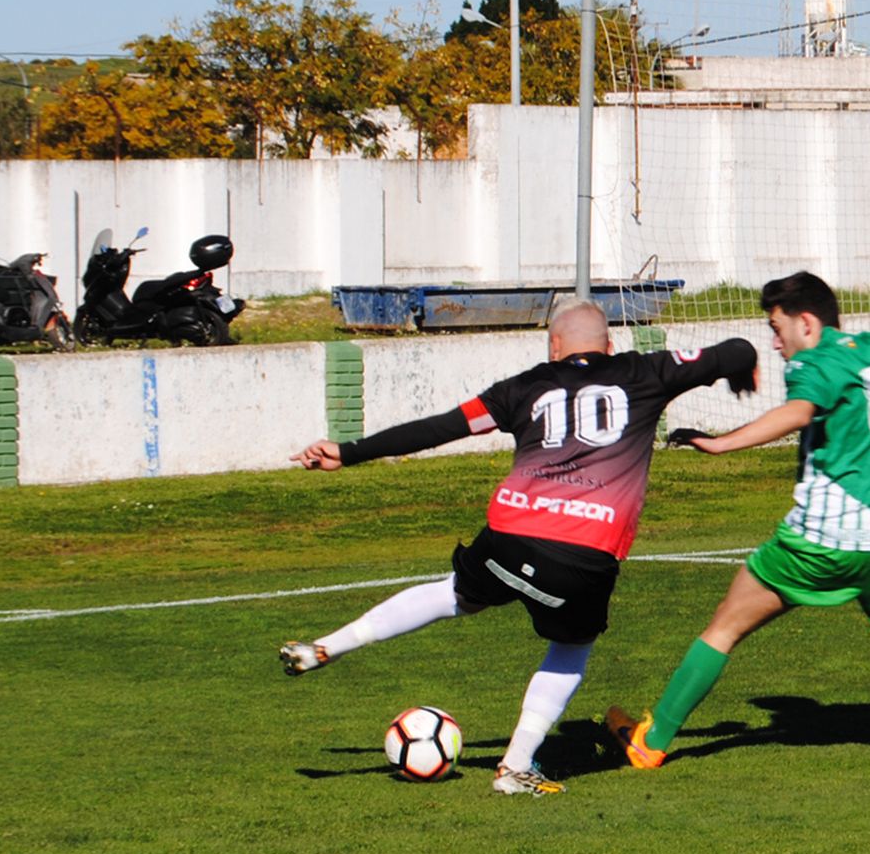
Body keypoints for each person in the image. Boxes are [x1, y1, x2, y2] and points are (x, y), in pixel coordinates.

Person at [283, 300, 757, 796]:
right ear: (609, 345)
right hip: (585, 554)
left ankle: (327, 646)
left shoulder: (523, 387)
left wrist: (350, 452)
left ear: (554, 346)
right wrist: (742, 366)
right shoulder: (646, 370)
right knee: (572, 646)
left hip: (507, 538)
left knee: (455, 594)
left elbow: (439, 428)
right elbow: (736, 349)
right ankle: (515, 765)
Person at [604, 271, 870, 770]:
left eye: (776, 326)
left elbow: (799, 412)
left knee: (724, 628)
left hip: (825, 539)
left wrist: (721, 442)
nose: (775, 340)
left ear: (806, 321)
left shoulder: (815, 361)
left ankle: (650, 743)